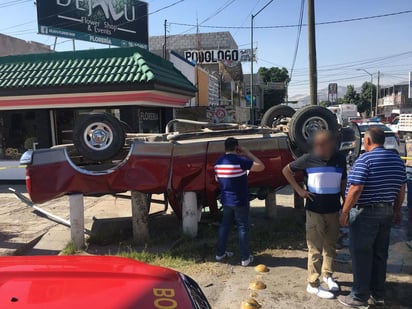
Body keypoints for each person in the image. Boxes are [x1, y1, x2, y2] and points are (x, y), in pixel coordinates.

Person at [338, 127, 406, 308]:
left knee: (361, 254)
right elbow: (401, 188)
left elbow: (356, 188)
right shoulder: (397, 160)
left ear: (367, 141)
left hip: (366, 213)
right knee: (379, 254)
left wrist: (344, 212)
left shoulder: (365, 159)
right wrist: (397, 210)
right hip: (387, 212)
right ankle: (378, 294)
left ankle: (359, 297)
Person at [282, 130, 347, 299]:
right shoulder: (308, 158)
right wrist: (299, 191)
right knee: (315, 249)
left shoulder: (339, 158)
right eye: (321, 145)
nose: (324, 148)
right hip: (314, 211)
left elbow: (342, 182)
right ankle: (313, 283)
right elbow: (286, 170)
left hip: (333, 210)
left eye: (327, 144)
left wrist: (345, 205)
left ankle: (327, 275)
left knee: (331, 246)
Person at [215, 137, 265, 266]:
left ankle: (220, 254)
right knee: (243, 227)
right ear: (237, 147)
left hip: (226, 200)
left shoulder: (218, 162)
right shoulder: (241, 161)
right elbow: (261, 167)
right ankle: (245, 257)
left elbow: (217, 179)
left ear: (224, 147)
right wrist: (247, 153)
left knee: (225, 226)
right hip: (240, 200)